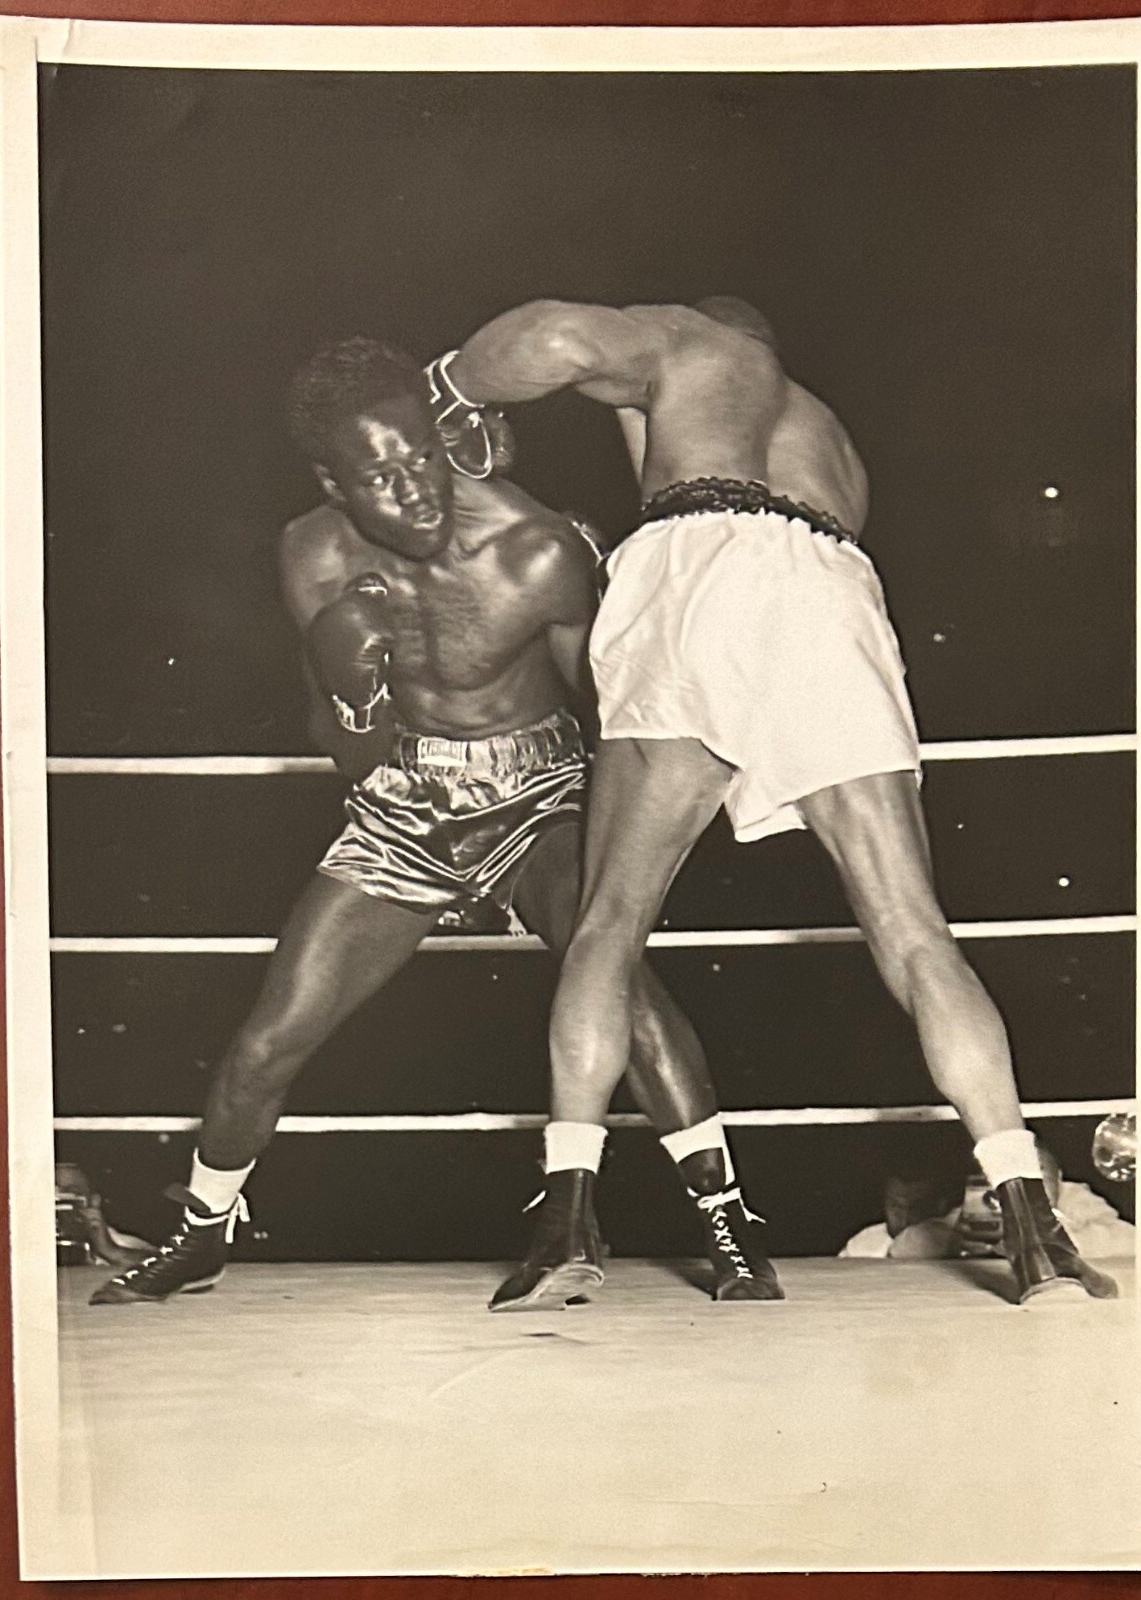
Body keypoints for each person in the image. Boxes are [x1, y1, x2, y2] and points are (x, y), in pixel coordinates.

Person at [433, 296, 1119, 1307]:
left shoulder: (695, 346)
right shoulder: (828, 441)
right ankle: (1025, 1207)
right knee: (916, 934)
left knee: (608, 926)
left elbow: (555, 340)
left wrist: (447, 383)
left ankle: (568, 1215)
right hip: (833, 593)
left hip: (701, 569)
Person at [90, 336, 780, 1308]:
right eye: (381, 475)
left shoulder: (532, 550)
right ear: (334, 481)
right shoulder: (312, 553)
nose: (415, 491)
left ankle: (728, 1224)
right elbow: (345, 752)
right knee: (270, 1034)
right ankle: (203, 1230)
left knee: (614, 975)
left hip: (542, 789)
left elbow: (618, 715)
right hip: (405, 801)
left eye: (422, 456)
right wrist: (355, 695)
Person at [840, 1149, 1135, 1267]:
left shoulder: (1075, 1198)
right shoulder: (977, 1204)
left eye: (1036, 1179)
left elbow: (1131, 1239)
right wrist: (961, 1233)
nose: (1022, 1189)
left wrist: (1048, 1229)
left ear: (1057, 1180)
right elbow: (903, 1248)